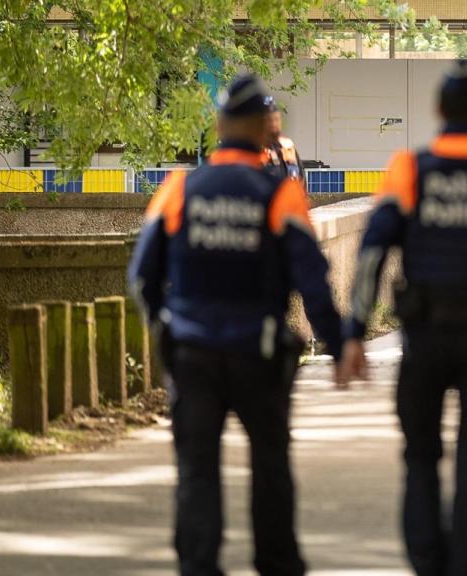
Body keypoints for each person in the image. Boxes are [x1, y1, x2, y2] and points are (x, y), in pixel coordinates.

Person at [338, 60, 467, 576]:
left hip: (425, 337)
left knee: (420, 457)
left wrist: (353, 335)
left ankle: (428, 563)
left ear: (439, 111)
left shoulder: (409, 170)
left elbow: (371, 255)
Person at [128, 74, 344, 576]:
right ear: (261, 130)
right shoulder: (280, 196)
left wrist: (168, 336)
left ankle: (199, 566)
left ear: (220, 126)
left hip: (193, 354)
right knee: (270, 465)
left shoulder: (178, 190)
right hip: (259, 357)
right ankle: (277, 564)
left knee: (197, 471)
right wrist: (339, 342)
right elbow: (313, 279)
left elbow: (142, 277)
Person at [264, 97, 305, 182]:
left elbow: (301, 179)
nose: (274, 123)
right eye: (269, 119)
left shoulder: (287, 146)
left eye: (276, 119)